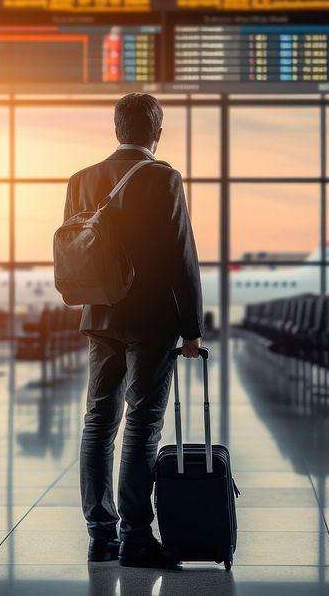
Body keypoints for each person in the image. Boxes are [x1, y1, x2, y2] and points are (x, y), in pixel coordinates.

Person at [64, 93, 203, 569]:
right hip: (151, 320)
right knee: (143, 423)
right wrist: (191, 329)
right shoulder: (163, 177)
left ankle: (100, 535)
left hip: (99, 315)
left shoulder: (81, 179)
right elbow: (180, 255)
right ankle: (137, 538)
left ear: (118, 129)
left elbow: (78, 248)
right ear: (156, 132)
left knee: (98, 423)